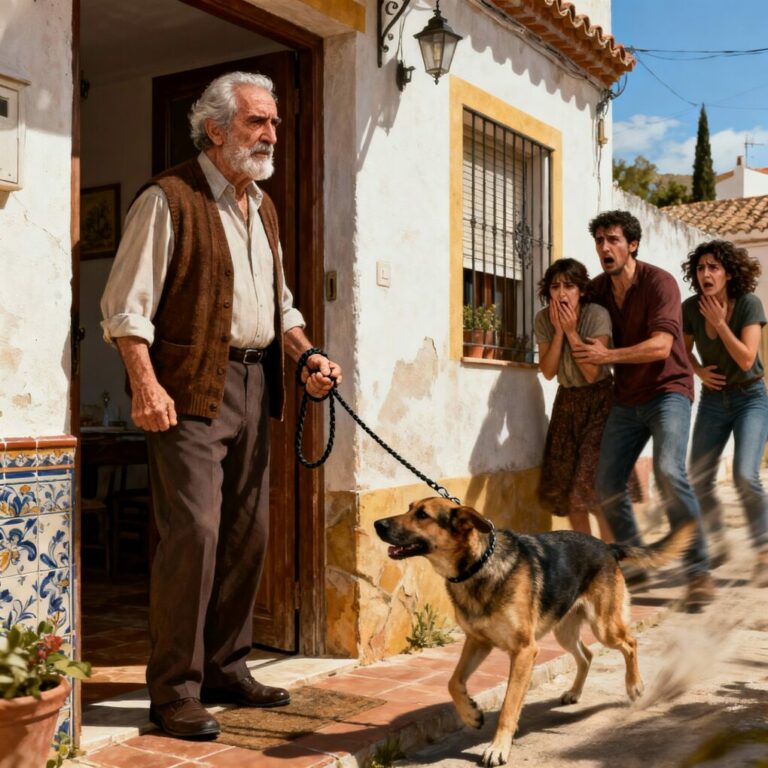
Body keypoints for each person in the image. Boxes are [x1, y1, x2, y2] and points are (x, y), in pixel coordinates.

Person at [100, 71, 342, 740]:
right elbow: (126, 307)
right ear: (215, 129)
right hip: (188, 391)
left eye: (273, 124)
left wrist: (307, 356)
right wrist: (146, 385)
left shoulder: (261, 207)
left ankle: (225, 667)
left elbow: (280, 305)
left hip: (254, 383)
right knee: (195, 536)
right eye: (256, 122)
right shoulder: (167, 199)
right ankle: (173, 689)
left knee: (247, 533)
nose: (270, 134)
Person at [571, 210, 713, 612]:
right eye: (599, 240)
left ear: (632, 244)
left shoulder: (659, 282)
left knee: (669, 472)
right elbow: (568, 304)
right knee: (606, 485)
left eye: (613, 240)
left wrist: (608, 354)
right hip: (626, 398)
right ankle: (636, 566)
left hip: (669, 391)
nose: (604, 248)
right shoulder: (598, 289)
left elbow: (661, 347)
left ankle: (698, 570)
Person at [682, 240, 768, 586]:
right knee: (697, 477)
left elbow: (747, 358)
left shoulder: (749, 304)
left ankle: (764, 549)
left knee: (745, 475)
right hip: (714, 401)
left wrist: (719, 324)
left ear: (728, 273)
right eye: (701, 268)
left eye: (713, 267)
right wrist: (700, 371)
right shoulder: (691, 308)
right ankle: (714, 541)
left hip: (751, 398)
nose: (706, 273)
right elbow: (681, 352)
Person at [534, 258, 614, 540]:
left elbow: (593, 374)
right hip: (566, 403)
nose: (562, 293)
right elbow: (548, 371)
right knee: (568, 490)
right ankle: (588, 555)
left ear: (581, 290)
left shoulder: (596, 315)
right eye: (555, 287)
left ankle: (610, 556)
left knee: (592, 489)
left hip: (600, 401)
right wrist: (558, 332)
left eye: (569, 286)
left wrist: (571, 331)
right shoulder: (544, 319)